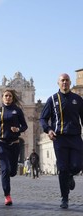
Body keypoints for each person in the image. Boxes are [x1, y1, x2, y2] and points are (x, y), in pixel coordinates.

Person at [40, 73, 83, 209]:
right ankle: (64, 198)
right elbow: (43, 118)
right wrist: (48, 130)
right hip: (60, 138)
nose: (64, 83)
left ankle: (71, 174)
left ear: (70, 83)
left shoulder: (78, 99)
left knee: (78, 165)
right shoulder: (52, 99)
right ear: (58, 83)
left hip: (75, 136)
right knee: (62, 168)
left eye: (67, 80)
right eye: (62, 80)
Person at [0, 89, 28, 206]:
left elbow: (25, 125)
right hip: (2, 144)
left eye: (10, 96)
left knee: (12, 172)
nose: (8, 98)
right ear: (2, 98)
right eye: (5, 96)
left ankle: (12, 173)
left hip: (14, 144)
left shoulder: (17, 111)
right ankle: (7, 195)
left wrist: (18, 129)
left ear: (12, 98)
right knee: (5, 169)